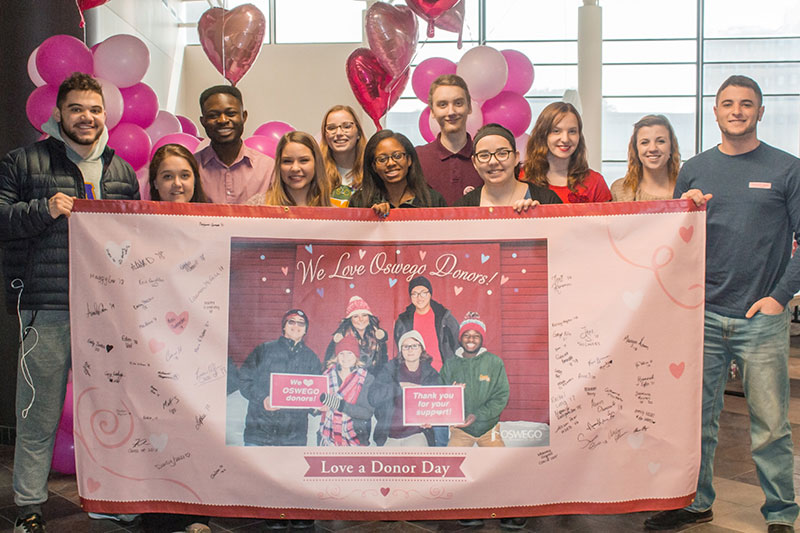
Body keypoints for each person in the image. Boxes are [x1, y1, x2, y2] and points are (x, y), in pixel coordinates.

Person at [643, 76, 800, 533]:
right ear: (715, 112)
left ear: (760, 111)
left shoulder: (787, 168)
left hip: (762, 319)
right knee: (698, 423)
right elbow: (675, 243)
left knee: (770, 427)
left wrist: (779, 298)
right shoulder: (695, 169)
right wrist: (685, 209)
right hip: (703, 316)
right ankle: (697, 503)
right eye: (728, 104)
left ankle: (781, 514)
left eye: (746, 104)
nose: (737, 111)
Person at [0, 72, 139, 533]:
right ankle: (29, 505)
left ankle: (115, 496)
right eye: (77, 108)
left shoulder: (120, 171)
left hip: (110, 311)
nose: (87, 117)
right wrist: (45, 209)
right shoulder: (23, 162)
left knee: (115, 407)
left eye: (95, 109)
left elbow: (137, 238)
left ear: (106, 115)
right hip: (49, 304)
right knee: (37, 409)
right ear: (58, 114)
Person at [143, 143, 211, 533]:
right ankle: (156, 509)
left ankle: (197, 513)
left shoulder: (213, 221)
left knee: (196, 426)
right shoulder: (138, 222)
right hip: (151, 344)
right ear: (154, 182)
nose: (176, 183)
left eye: (184, 175)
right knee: (156, 426)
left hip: (201, 345)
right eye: (167, 176)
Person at [439, 313, 518, 529]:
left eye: (476, 335)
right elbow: (439, 395)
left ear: (481, 339)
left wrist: (478, 415)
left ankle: (507, 511)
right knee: (453, 469)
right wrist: (448, 400)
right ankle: (467, 508)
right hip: (460, 430)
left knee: (500, 468)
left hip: (488, 427)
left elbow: (501, 395)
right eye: (467, 335)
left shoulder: (494, 363)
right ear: (460, 338)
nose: (471, 339)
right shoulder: (450, 365)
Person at [238, 309, 322, 446]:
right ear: (284, 326)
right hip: (260, 434)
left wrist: (317, 406)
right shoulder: (263, 350)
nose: (296, 326)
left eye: (301, 323)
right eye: (291, 322)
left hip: (294, 438)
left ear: (306, 330)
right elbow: (244, 380)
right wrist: (263, 399)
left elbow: (314, 393)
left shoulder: (312, 358)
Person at [454, 123, 562, 209]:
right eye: (484, 155)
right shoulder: (463, 208)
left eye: (502, 153)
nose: (493, 162)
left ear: (516, 158)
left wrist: (543, 217)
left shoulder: (547, 201)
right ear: (474, 162)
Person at [195, 85, 274, 204]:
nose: (222, 120)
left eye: (231, 113)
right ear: (203, 121)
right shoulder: (191, 167)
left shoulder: (268, 168)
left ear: (244, 117)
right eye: (213, 115)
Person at [522, 102, 611, 203]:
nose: (565, 139)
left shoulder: (595, 182)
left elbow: (606, 219)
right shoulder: (522, 178)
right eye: (556, 131)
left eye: (572, 131)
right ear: (543, 135)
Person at [416, 74, 483, 205]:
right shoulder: (417, 158)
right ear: (432, 112)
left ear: (469, 107)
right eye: (442, 105)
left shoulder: (487, 157)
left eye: (458, 103)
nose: (451, 112)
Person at [349, 130, 446, 215]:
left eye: (397, 156)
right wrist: (371, 216)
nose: (391, 163)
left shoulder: (433, 200)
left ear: (409, 160)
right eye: (382, 159)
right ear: (374, 166)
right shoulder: (359, 202)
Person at [372, 331, 440, 447]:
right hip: (389, 435)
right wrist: (399, 387)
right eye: (406, 347)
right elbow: (373, 397)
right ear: (401, 351)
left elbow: (438, 405)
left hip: (416, 433)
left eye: (414, 346)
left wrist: (431, 420)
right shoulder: (389, 370)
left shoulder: (431, 374)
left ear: (421, 349)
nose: (410, 350)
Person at [318, 334, 376, 446]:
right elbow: (315, 407)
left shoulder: (367, 379)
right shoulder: (325, 376)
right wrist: (318, 408)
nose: (345, 358)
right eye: (341, 353)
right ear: (336, 357)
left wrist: (339, 405)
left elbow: (366, 413)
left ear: (356, 356)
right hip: (327, 437)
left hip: (356, 437)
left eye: (350, 353)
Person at [248, 131, 331, 207]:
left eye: (303, 160)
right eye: (287, 161)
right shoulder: (256, 206)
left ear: (316, 163)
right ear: (279, 165)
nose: (295, 168)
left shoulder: (334, 214)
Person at [610, 115, 681, 201]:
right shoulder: (619, 191)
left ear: (671, 147)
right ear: (636, 149)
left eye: (661, 141)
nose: (653, 149)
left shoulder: (686, 189)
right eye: (644, 142)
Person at [324, 295, 388, 371]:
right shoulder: (341, 337)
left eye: (364, 315)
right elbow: (329, 362)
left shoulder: (378, 337)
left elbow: (383, 363)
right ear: (350, 319)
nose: (361, 319)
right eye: (355, 316)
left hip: (372, 379)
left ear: (369, 317)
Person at [320, 105, 366, 206]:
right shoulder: (317, 173)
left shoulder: (372, 171)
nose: (339, 133)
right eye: (331, 128)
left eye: (347, 126)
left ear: (358, 132)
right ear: (325, 135)